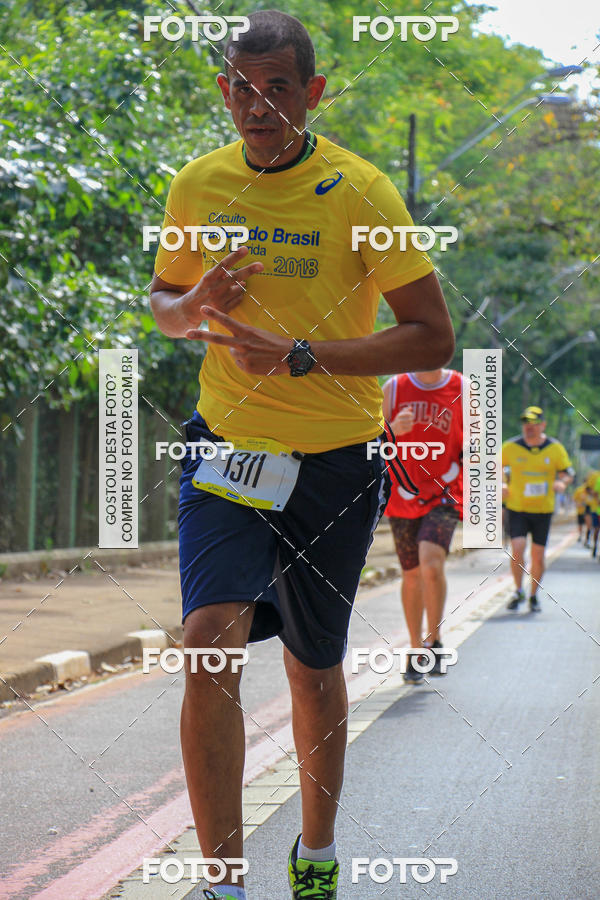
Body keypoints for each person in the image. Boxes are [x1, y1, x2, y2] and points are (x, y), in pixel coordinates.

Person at [149, 11, 455, 900]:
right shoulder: (198, 187)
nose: (257, 107)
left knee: (313, 672)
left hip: (332, 461)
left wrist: (306, 355)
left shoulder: (361, 192)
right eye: (242, 89)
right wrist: (192, 301)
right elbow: (167, 308)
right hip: (226, 453)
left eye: (277, 88)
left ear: (312, 93)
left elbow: (432, 336)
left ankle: (315, 854)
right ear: (224, 92)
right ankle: (224, 883)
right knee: (209, 644)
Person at [383, 368, 463, 684]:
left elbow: (480, 442)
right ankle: (417, 650)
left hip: (446, 491)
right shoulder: (394, 387)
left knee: (431, 564)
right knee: (412, 574)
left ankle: (436, 638)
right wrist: (390, 428)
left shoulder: (462, 387)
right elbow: (372, 439)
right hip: (403, 493)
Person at [502, 406, 573, 612]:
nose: (529, 429)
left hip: (543, 510)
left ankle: (533, 594)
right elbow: (492, 467)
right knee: (517, 547)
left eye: (533, 425)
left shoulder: (555, 448)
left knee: (538, 555)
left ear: (543, 425)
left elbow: (567, 472)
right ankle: (518, 590)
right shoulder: (510, 447)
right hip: (517, 507)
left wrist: (563, 483)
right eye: (526, 425)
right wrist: (501, 484)